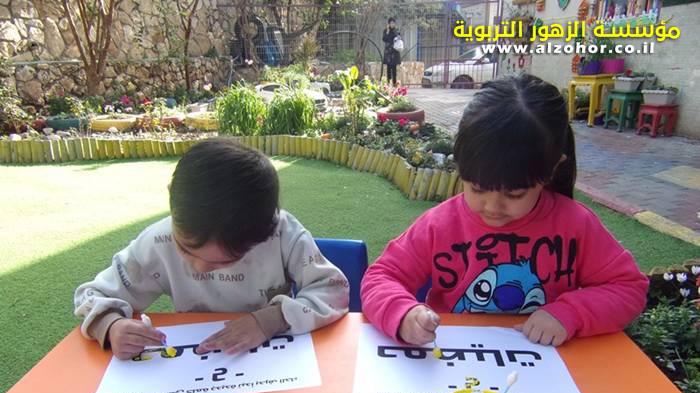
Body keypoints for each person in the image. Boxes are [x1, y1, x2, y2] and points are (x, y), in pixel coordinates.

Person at [361, 74, 648, 347]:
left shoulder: (576, 225)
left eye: (514, 194)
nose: (492, 207)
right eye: (477, 188)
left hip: (545, 367)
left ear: (551, 170)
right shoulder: (439, 225)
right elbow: (381, 277)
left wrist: (570, 313)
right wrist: (402, 313)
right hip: (454, 362)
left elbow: (629, 288)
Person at [75, 138, 349, 360]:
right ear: (172, 203)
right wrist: (111, 325)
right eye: (186, 249)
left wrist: (271, 319)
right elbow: (92, 295)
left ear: (264, 234)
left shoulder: (282, 235)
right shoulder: (158, 242)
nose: (201, 267)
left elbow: (334, 290)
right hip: (196, 367)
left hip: (274, 360)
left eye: (225, 262)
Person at [382, 17, 402, 86]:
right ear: (388, 24)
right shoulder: (385, 30)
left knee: (394, 68)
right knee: (388, 68)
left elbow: (398, 37)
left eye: (393, 23)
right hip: (388, 52)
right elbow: (384, 39)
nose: (392, 24)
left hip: (394, 51)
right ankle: (388, 83)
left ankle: (394, 83)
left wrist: (397, 35)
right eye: (391, 23)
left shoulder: (396, 30)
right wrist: (387, 31)